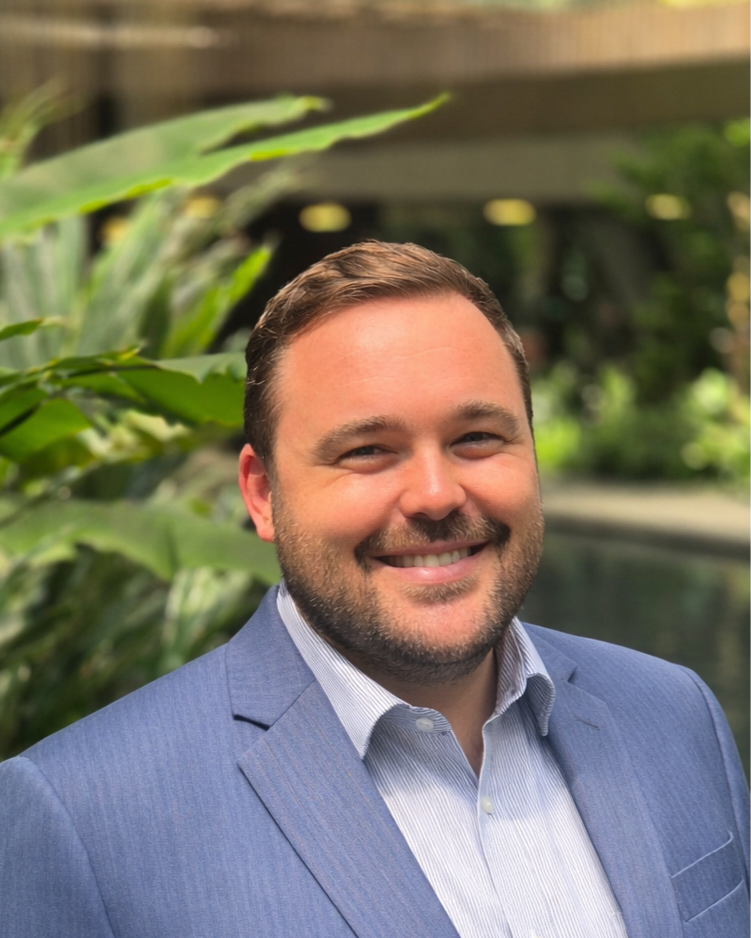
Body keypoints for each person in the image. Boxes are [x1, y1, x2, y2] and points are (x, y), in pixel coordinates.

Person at [1, 241, 750, 938]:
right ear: (262, 495)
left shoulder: (673, 716)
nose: (433, 494)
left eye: (476, 439)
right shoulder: (81, 818)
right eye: (367, 451)